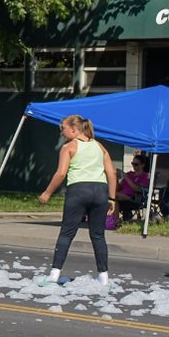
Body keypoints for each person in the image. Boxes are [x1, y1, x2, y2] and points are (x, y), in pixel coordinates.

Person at [38, 115, 115, 287]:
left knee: (66, 233)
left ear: (73, 129)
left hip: (78, 191)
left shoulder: (69, 147)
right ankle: (104, 278)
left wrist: (47, 192)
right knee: (98, 235)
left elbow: (61, 173)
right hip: (100, 191)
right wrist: (112, 198)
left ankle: (54, 275)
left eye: (62, 129)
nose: (61, 133)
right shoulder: (100, 146)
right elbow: (111, 173)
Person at [116, 153, 150, 221]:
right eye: (132, 163)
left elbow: (137, 189)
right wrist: (115, 179)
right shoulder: (129, 174)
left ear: (143, 165)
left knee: (112, 195)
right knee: (110, 193)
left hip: (134, 198)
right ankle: (114, 220)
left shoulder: (145, 176)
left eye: (136, 164)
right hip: (121, 196)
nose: (133, 166)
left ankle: (115, 220)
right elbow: (119, 187)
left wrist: (126, 177)